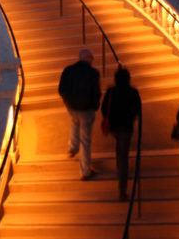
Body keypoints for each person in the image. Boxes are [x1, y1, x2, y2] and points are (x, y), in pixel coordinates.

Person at [57, 48, 101, 180]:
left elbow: (61, 89)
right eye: (92, 59)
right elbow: (96, 93)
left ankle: (72, 148)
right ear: (88, 59)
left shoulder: (68, 70)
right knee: (86, 140)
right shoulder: (93, 73)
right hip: (87, 110)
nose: (92, 62)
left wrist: (68, 101)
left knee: (75, 123)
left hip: (72, 107)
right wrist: (94, 106)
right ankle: (85, 170)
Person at [101, 67, 141, 201]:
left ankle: (120, 169)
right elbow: (137, 109)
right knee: (124, 153)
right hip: (126, 126)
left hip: (114, 126)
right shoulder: (133, 92)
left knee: (120, 148)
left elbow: (104, 108)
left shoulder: (111, 91)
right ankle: (122, 189)